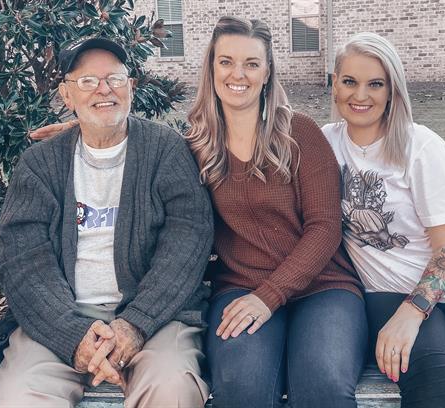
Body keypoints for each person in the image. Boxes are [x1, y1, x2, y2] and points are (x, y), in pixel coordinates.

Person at [0, 37, 213, 408]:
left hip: (153, 320)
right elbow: (24, 260)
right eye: (88, 81)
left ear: (131, 88)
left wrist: (134, 324)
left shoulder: (165, 151)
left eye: (115, 79)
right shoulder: (39, 165)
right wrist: (74, 335)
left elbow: (187, 243)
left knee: (172, 390)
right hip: (57, 323)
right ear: (67, 95)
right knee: (20, 399)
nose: (104, 89)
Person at [322, 32, 445, 407]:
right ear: (334, 86)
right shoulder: (323, 144)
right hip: (387, 291)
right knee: (439, 388)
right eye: (349, 82)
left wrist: (413, 312)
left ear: (393, 90)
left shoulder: (421, 146)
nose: (360, 95)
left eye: (375, 84)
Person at [185, 17, 366, 408]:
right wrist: (80, 129)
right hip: (240, 287)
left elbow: (324, 228)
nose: (239, 74)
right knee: (241, 389)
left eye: (252, 63)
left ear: (267, 72)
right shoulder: (198, 143)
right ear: (212, 68)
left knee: (323, 385)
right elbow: (141, 144)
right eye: (226, 62)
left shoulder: (299, 133)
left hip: (324, 286)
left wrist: (270, 296)